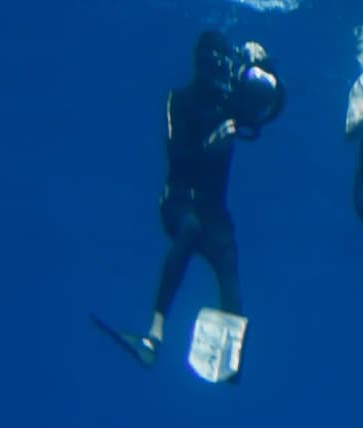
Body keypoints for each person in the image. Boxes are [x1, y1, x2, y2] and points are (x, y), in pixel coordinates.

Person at [99, 30, 283, 379]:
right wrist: (207, 145)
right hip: (179, 201)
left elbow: (272, 108)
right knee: (189, 230)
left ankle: (229, 361)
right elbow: (174, 154)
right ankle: (154, 335)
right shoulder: (179, 99)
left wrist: (264, 63)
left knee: (229, 262)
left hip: (215, 210)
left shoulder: (229, 101)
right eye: (215, 65)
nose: (220, 74)